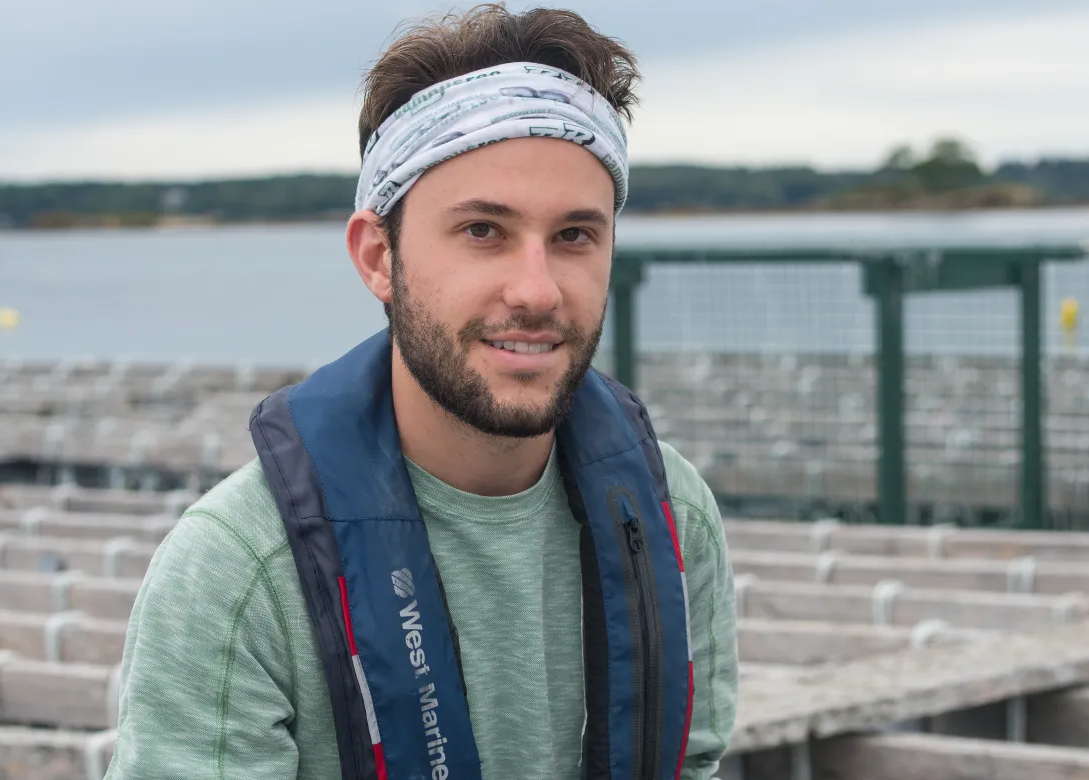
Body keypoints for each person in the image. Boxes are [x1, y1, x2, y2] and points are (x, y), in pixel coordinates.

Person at [104, 5, 738, 779]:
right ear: (379, 258)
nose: (537, 290)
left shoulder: (671, 516)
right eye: (483, 231)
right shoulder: (240, 569)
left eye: (574, 235)